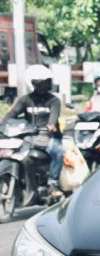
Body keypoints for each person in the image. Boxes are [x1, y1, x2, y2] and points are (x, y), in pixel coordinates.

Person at [3, 64, 63, 195]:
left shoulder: (54, 100)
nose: (47, 85)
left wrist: (51, 125)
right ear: (35, 84)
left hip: (49, 136)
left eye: (48, 82)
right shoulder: (25, 100)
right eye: (44, 82)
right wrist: (2, 124)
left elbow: (54, 115)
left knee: (58, 151)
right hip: (29, 136)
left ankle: (53, 183)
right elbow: (12, 113)